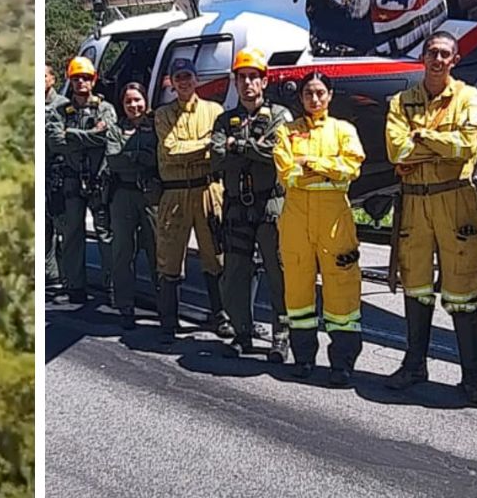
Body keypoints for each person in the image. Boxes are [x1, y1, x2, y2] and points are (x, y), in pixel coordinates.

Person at [385, 30, 477, 404]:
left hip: (454, 200)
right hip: (415, 203)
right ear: (423, 57)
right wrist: (435, 147)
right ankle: (414, 364)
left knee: (462, 290)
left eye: (445, 53)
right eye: (432, 52)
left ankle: (473, 377)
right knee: (415, 284)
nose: (437, 59)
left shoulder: (469, 98)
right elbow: (397, 151)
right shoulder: (403, 101)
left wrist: (422, 138)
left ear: (455, 60)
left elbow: (467, 147)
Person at [273, 71, 365, 386]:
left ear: (330, 95)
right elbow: (287, 173)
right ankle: (303, 358)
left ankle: (342, 362)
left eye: (319, 93)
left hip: (335, 220)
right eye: (308, 93)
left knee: (342, 288)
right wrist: (328, 169)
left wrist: (314, 166)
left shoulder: (344, 130)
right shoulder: (287, 132)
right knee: (297, 290)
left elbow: (351, 169)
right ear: (300, 98)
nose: (314, 98)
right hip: (296, 219)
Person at [210, 48, 291, 361]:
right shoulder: (224, 119)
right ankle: (242, 332)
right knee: (236, 272)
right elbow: (216, 157)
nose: (247, 83)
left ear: (264, 81)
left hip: (270, 205)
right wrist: (248, 149)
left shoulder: (281, 116)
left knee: (277, 272)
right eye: (241, 77)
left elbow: (275, 155)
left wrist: (238, 145)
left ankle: (281, 337)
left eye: (253, 77)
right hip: (236, 208)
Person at [155, 57, 233, 343]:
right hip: (175, 192)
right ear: (172, 83)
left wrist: (205, 148)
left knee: (215, 254)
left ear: (196, 79)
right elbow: (171, 150)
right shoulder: (163, 114)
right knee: (170, 256)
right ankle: (168, 320)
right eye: (178, 78)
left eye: (188, 76)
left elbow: (221, 151)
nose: (184, 81)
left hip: (208, 191)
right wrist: (207, 144)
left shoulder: (214, 110)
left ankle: (221, 315)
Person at [46, 56, 117, 304]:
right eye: (76, 78)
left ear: (94, 80)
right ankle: (75, 286)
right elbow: (56, 143)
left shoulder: (105, 109)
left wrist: (73, 134)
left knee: (106, 235)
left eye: (85, 78)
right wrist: (89, 135)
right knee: (72, 234)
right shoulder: (59, 110)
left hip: (99, 181)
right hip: (71, 181)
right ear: (70, 80)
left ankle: (112, 285)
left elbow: (106, 137)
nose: (81, 83)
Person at [106, 82, 159, 330]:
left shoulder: (156, 125)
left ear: (145, 101)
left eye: (137, 100)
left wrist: (134, 157)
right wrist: (141, 156)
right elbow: (114, 160)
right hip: (123, 195)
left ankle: (164, 305)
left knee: (157, 251)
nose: (133, 105)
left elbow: (158, 157)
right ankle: (125, 306)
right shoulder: (116, 129)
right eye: (128, 101)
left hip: (151, 195)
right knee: (123, 253)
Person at [45, 65, 68, 298]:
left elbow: (63, 140)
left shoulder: (62, 105)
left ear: (52, 79)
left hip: (57, 171)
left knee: (63, 224)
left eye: (44, 76)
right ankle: (49, 274)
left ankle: (65, 274)